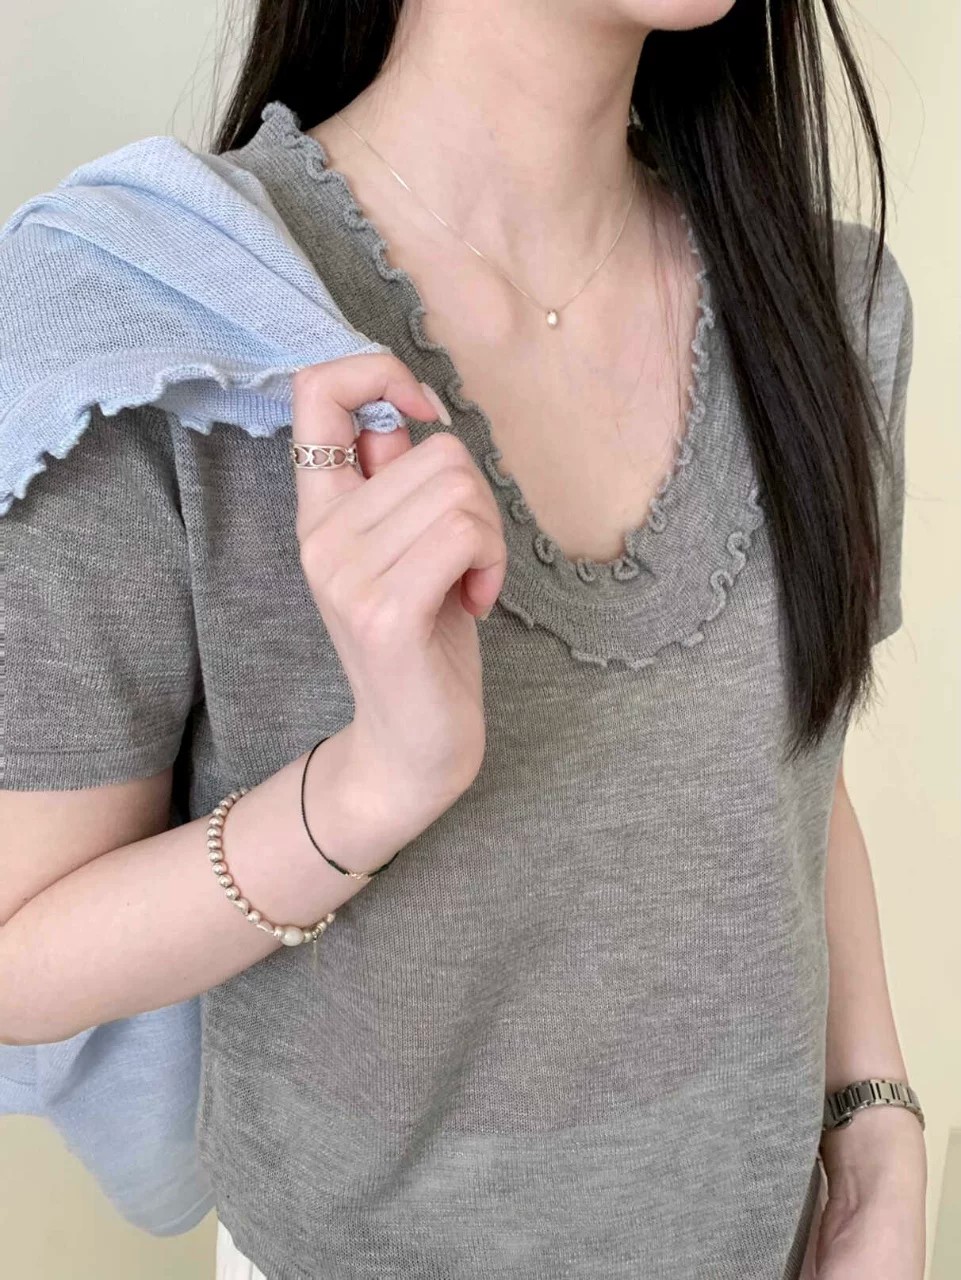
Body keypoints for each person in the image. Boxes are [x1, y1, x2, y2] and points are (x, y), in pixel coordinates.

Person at [0, 1, 927, 1277]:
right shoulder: (148, 317)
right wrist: (369, 788)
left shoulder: (829, 303)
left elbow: (785, 777)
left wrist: (872, 1118)